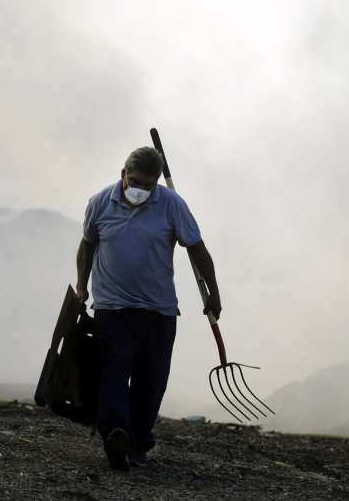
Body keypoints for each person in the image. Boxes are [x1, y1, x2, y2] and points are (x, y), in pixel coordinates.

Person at [75, 146, 222, 471]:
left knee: (151, 378)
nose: (140, 189)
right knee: (114, 369)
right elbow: (87, 245)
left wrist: (214, 292)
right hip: (112, 307)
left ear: (156, 183)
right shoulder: (100, 203)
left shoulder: (172, 205)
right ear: (122, 174)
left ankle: (138, 442)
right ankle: (115, 434)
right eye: (135, 181)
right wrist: (82, 285)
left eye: (148, 184)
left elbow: (197, 248)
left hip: (158, 310)